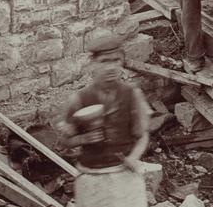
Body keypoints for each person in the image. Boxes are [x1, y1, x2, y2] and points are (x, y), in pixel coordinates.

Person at [54, 27, 150, 170]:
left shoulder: (132, 94)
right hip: (91, 172)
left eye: (115, 60)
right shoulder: (79, 99)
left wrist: (133, 158)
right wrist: (83, 139)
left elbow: (143, 136)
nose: (111, 67)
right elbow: (64, 141)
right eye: (104, 61)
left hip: (124, 171)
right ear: (93, 63)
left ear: (121, 61)